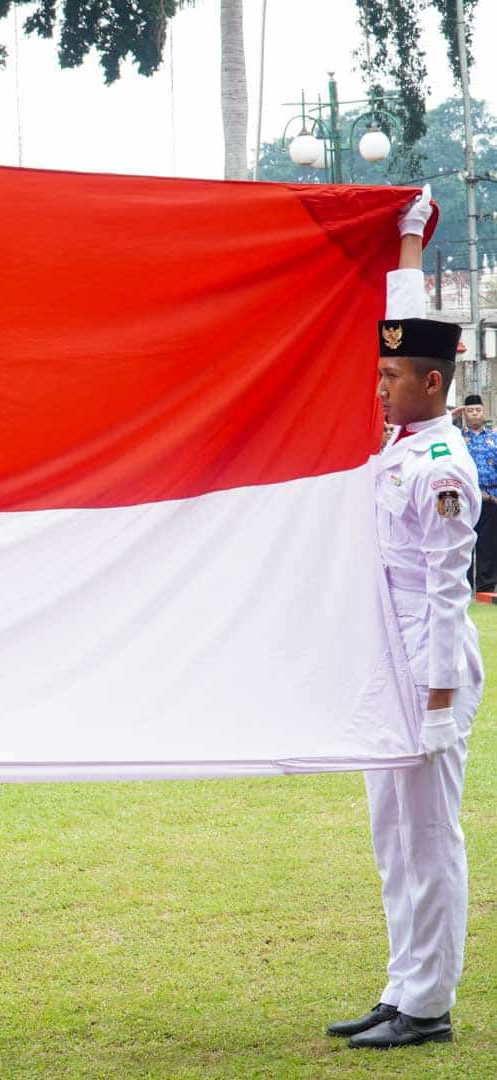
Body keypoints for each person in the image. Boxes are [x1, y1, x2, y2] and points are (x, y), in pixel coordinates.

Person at [326, 190, 481, 1050]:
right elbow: (404, 328)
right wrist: (410, 244)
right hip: (389, 658)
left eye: (391, 376)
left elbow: (448, 594)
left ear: (431, 384)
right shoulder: (399, 439)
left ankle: (430, 1005)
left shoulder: (440, 464)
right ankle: (402, 986)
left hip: (429, 664)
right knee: (393, 837)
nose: (378, 383)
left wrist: (433, 699)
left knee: (427, 836)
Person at [462, 395, 497, 592]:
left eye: (478, 410)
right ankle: (462, 586)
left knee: (488, 544)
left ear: (484, 412)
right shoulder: (455, 438)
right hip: (463, 498)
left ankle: (486, 586)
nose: (475, 413)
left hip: (491, 496)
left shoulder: (494, 438)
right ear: (464, 413)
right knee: (462, 541)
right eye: (470, 410)